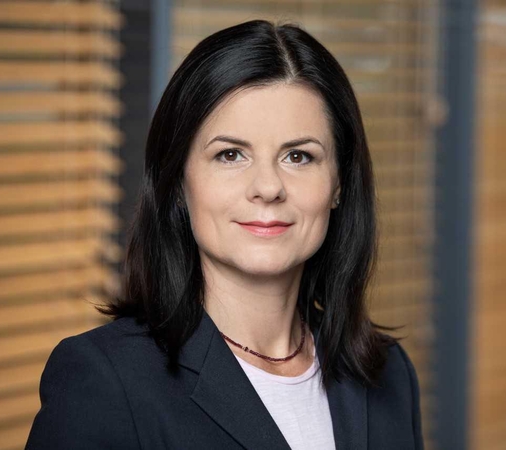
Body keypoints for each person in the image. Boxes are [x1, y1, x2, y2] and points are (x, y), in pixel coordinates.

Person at [25, 20, 424, 450]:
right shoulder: (106, 380)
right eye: (230, 155)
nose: (268, 187)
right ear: (179, 182)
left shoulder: (389, 373)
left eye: (298, 156)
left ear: (339, 184)